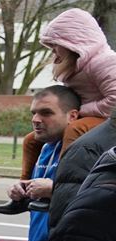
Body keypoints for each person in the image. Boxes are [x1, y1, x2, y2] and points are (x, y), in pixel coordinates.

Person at [0, 87, 81, 241]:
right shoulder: (44, 148)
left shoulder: (83, 150)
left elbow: (96, 196)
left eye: (46, 113)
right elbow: (40, 196)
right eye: (33, 113)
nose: (36, 119)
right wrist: (21, 191)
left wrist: (54, 189)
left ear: (72, 116)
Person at [17, 9, 116, 187]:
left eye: (56, 45)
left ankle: (58, 184)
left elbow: (114, 101)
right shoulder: (74, 65)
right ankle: (24, 186)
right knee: (32, 139)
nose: (53, 50)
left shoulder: (105, 62)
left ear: (72, 42)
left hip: (109, 119)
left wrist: (81, 111)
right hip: (84, 115)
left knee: (75, 129)